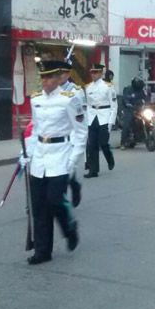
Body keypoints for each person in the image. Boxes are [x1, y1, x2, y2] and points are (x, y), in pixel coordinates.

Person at [22, 60, 88, 265]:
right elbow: (35, 129)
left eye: (49, 77)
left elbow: (80, 132)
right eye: (42, 77)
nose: (45, 81)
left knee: (54, 200)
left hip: (60, 155)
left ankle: (70, 229)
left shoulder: (69, 99)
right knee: (39, 206)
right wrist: (25, 153)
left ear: (59, 78)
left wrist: (73, 160)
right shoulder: (36, 100)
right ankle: (42, 251)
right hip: (39, 157)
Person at [59, 62, 85, 207]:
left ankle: (69, 191)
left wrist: (77, 141)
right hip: (52, 138)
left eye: (62, 73)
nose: (59, 76)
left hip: (71, 136)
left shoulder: (75, 91)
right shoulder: (50, 90)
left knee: (66, 169)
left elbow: (80, 118)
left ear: (68, 74)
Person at [84, 64, 117, 178]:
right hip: (93, 117)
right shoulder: (88, 87)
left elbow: (114, 106)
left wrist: (111, 122)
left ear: (100, 73)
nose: (93, 75)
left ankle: (109, 157)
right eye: (92, 72)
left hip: (104, 116)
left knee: (103, 143)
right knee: (92, 144)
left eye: (95, 72)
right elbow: (88, 105)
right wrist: (87, 118)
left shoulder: (108, 86)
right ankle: (93, 170)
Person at [121, 77, 147, 149]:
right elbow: (125, 98)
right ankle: (123, 143)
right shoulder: (128, 89)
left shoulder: (141, 91)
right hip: (128, 108)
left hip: (138, 108)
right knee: (127, 122)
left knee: (146, 118)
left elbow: (145, 98)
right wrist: (127, 103)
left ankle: (143, 137)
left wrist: (149, 104)